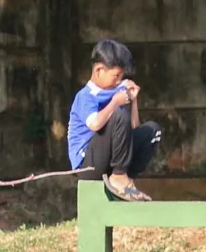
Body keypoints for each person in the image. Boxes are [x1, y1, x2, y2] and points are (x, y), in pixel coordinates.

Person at [67, 38, 160, 202]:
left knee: (152, 131)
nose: (119, 80)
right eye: (116, 76)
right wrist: (115, 102)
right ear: (99, 71)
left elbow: (132, 131)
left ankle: (124, 180)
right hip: (88, 166)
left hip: (112, 162)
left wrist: (134, 101)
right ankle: (119, 177)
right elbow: (95, 124)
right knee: (117, 114)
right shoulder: (86, 96)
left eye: (121, 76)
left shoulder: (115, 93)